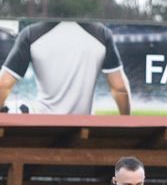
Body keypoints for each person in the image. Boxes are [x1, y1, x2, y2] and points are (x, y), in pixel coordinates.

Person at [0, 20, 131, 115]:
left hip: (43, 126)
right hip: (84, 125)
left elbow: (3, 84)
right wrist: (126, 123)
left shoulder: (31, 34)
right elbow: (120, 89)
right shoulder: (101, 34)